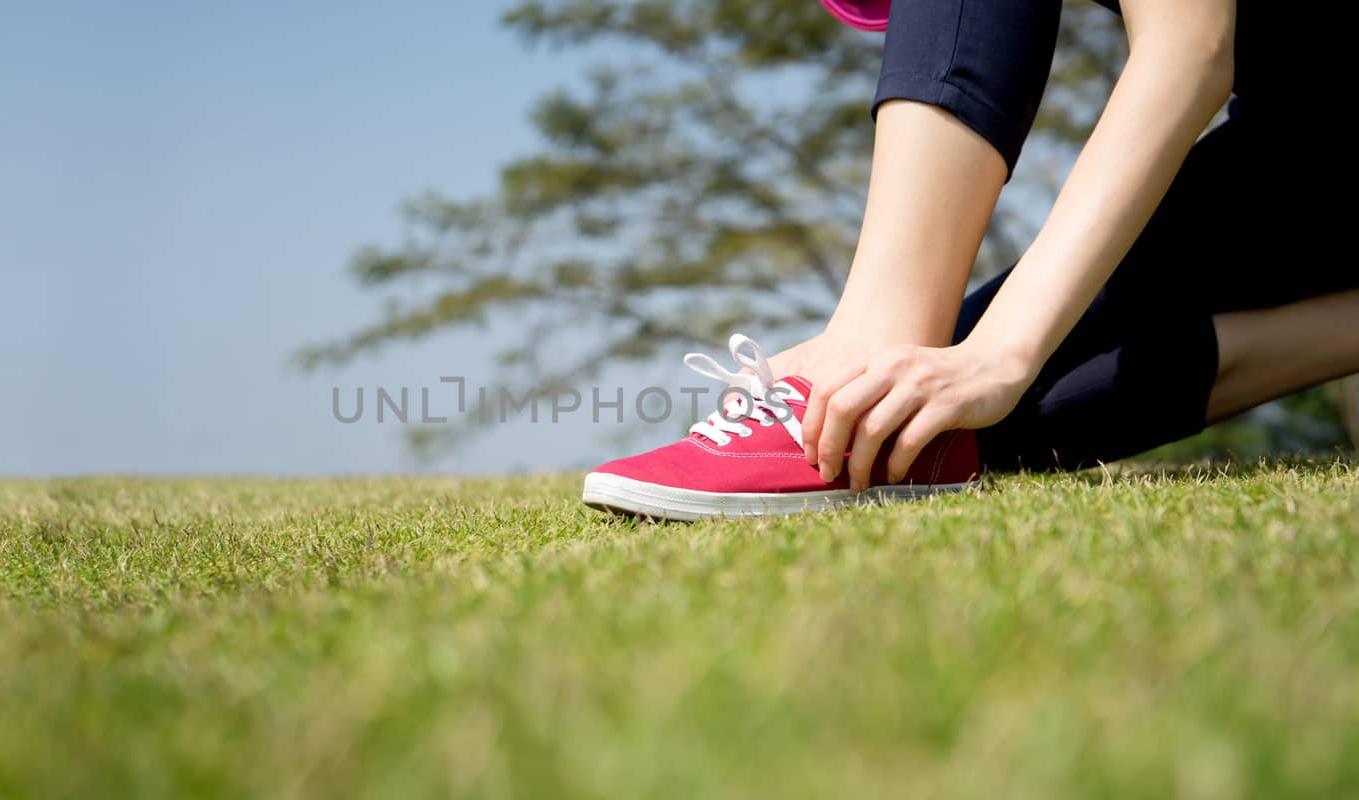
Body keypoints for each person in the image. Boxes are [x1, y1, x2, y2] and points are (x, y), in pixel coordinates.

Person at [582, 0, 1359, 520]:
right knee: (922, 427)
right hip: (1310, 154)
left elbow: (1192, 46)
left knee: (949, 382)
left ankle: (870, 337)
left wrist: (1000, 351)